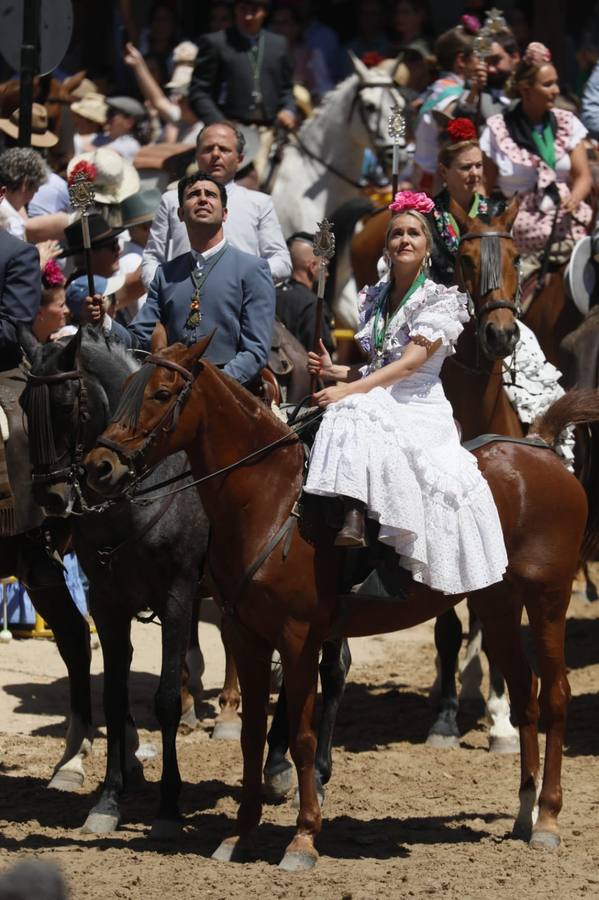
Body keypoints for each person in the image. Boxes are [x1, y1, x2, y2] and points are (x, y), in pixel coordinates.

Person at [304, 191, 508, 595]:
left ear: (427, 246)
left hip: (418, 401)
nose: (404, 240)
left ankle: (362, 527)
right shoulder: (375, 298)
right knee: (338, 411)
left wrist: (350, 389)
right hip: (381, 392)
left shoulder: (440, 301)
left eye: (414, 233)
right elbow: (379, 365)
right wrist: (334, 371)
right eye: (396, 233)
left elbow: (409, 364)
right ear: (387, 247)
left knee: (350, 409)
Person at [429, 118, 573, 464]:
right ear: (444, 171)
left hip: (490, 310)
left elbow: (507, 269)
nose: (474, 173)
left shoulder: (495, 212)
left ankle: (548, 441)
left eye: (478, 165)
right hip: (438, 314)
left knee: (535, 367)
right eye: (465, 167)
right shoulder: (427, 215)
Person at [86, 173, 275, 386]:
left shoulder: (253, 269)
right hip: (175, 392)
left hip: (231, 393)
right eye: (193, 194)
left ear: (224, 214)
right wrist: (104, 321)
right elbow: (138, 340)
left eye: (210, 195)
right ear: (181, 214)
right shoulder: (165, 274)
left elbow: (255, 352)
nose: (202, 199)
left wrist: (209, 386)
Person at [480, 42, 592, 264]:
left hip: (566, 218)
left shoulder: (567, 122)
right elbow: (484, 185)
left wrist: (574, 198)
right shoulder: (498, 129)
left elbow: (583, 176)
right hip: (519, 225)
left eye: (556, 83)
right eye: (548, 84)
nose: (556, 90)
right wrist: (485, 221)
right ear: (526, 90)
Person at [141, 120, 291, 287]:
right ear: (196, 156)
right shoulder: (172, 200)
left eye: (224, 149)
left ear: (240, 159)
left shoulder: (260, 203)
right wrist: (165, 290)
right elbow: (152, 257)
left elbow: (281, 261)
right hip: (182, 299)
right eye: (208, 149)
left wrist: (245, 279)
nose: (215, 154)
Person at [188, 0, 297, 177]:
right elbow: (198, 92)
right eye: (243, 9)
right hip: (231, 130)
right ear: (235, 10)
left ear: (264, 12)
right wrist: (221, 124)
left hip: (271, 131)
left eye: (254, 10)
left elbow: (287, 89)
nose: (248, 16)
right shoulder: (216, 42)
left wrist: (288, 110)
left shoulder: (278, 44)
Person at [413, 22, 482, 193]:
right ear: (461, 60)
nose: (482, 64)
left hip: (421, 174)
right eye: (478, 57)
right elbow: (450, 138)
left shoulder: (436, 88)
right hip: (437, 182)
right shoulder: (453, 96)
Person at [276, 232, 333, 352]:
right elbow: (320, 354)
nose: (327, 274)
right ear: (312, 267)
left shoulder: (271, 295)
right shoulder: (313, 305)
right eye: (324, 267)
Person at [453, 27, 521, 125]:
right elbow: (461, 119)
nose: (491, 69)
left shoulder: (527, 86)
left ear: (514, 57)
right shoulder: (474, 88)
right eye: (486, 62)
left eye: (495, 60)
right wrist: (475, 90)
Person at [92, 96, 145, 162]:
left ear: (129, 122)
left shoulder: (131, 145)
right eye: (107, 113)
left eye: (111, 114)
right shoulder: (101, 137)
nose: (107, 118)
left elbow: (98, 155)